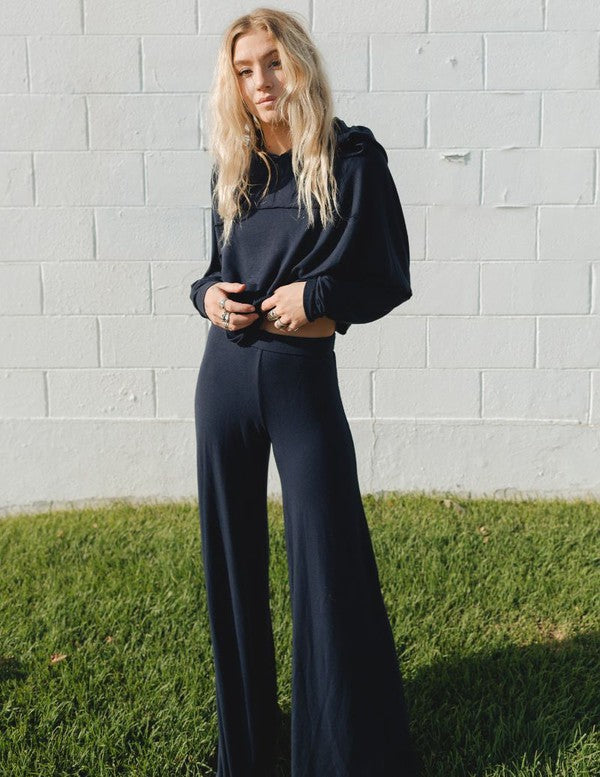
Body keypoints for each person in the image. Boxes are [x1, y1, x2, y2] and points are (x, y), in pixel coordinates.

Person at [190, 7, 419, 776]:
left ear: (300, 64)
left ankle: (341, 751)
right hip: (224, 380)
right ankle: (247, 747)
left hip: (300, 384)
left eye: (272, 63)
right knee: (231, 566)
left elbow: (387, 274)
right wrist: (207, 298)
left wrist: (317, 296)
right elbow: (211, 269)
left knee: (328, 561)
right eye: (244, 70)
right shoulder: (236, 165)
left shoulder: (352, 159)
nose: (260, 82)